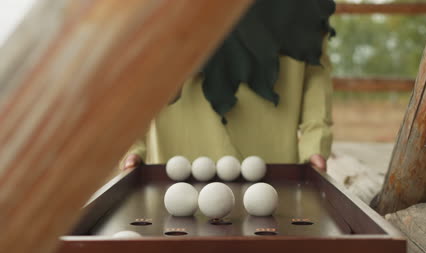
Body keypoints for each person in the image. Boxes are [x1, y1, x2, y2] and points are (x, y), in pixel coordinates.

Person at [122, 0, 335, 172]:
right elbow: (132, 69)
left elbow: (315, 68)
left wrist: (315, 142)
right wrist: (130, 144)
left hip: (271, 164)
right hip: (174, 162)